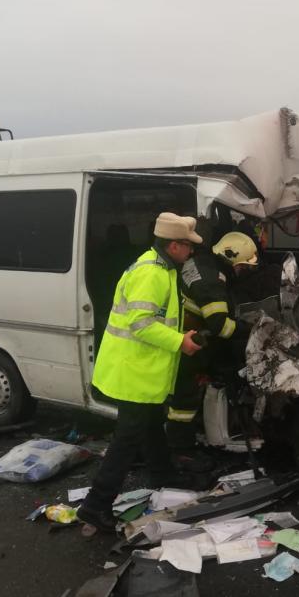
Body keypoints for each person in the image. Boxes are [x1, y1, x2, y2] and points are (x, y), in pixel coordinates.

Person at [76, 212, 203, 533]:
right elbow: (141, 324)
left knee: (151, 424)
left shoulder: (160, 267)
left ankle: (163, 474)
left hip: (140, 371)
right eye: (188, 245)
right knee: (127, 440)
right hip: (133, 372)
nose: (191, 251)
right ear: (173, 246)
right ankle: (95, 505)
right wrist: (180, 342)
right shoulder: (152, 273)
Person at [167, 231, 258, 468]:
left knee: (183, 397)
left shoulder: (204, 262)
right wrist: (252, 330)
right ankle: (181, 452)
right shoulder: (211, 281)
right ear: (231, 258)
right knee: (184, 402)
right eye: (242, 266)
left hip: (182, 336)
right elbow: (220, 326)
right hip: (186, 343)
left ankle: (183, 443)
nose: (242, 271)